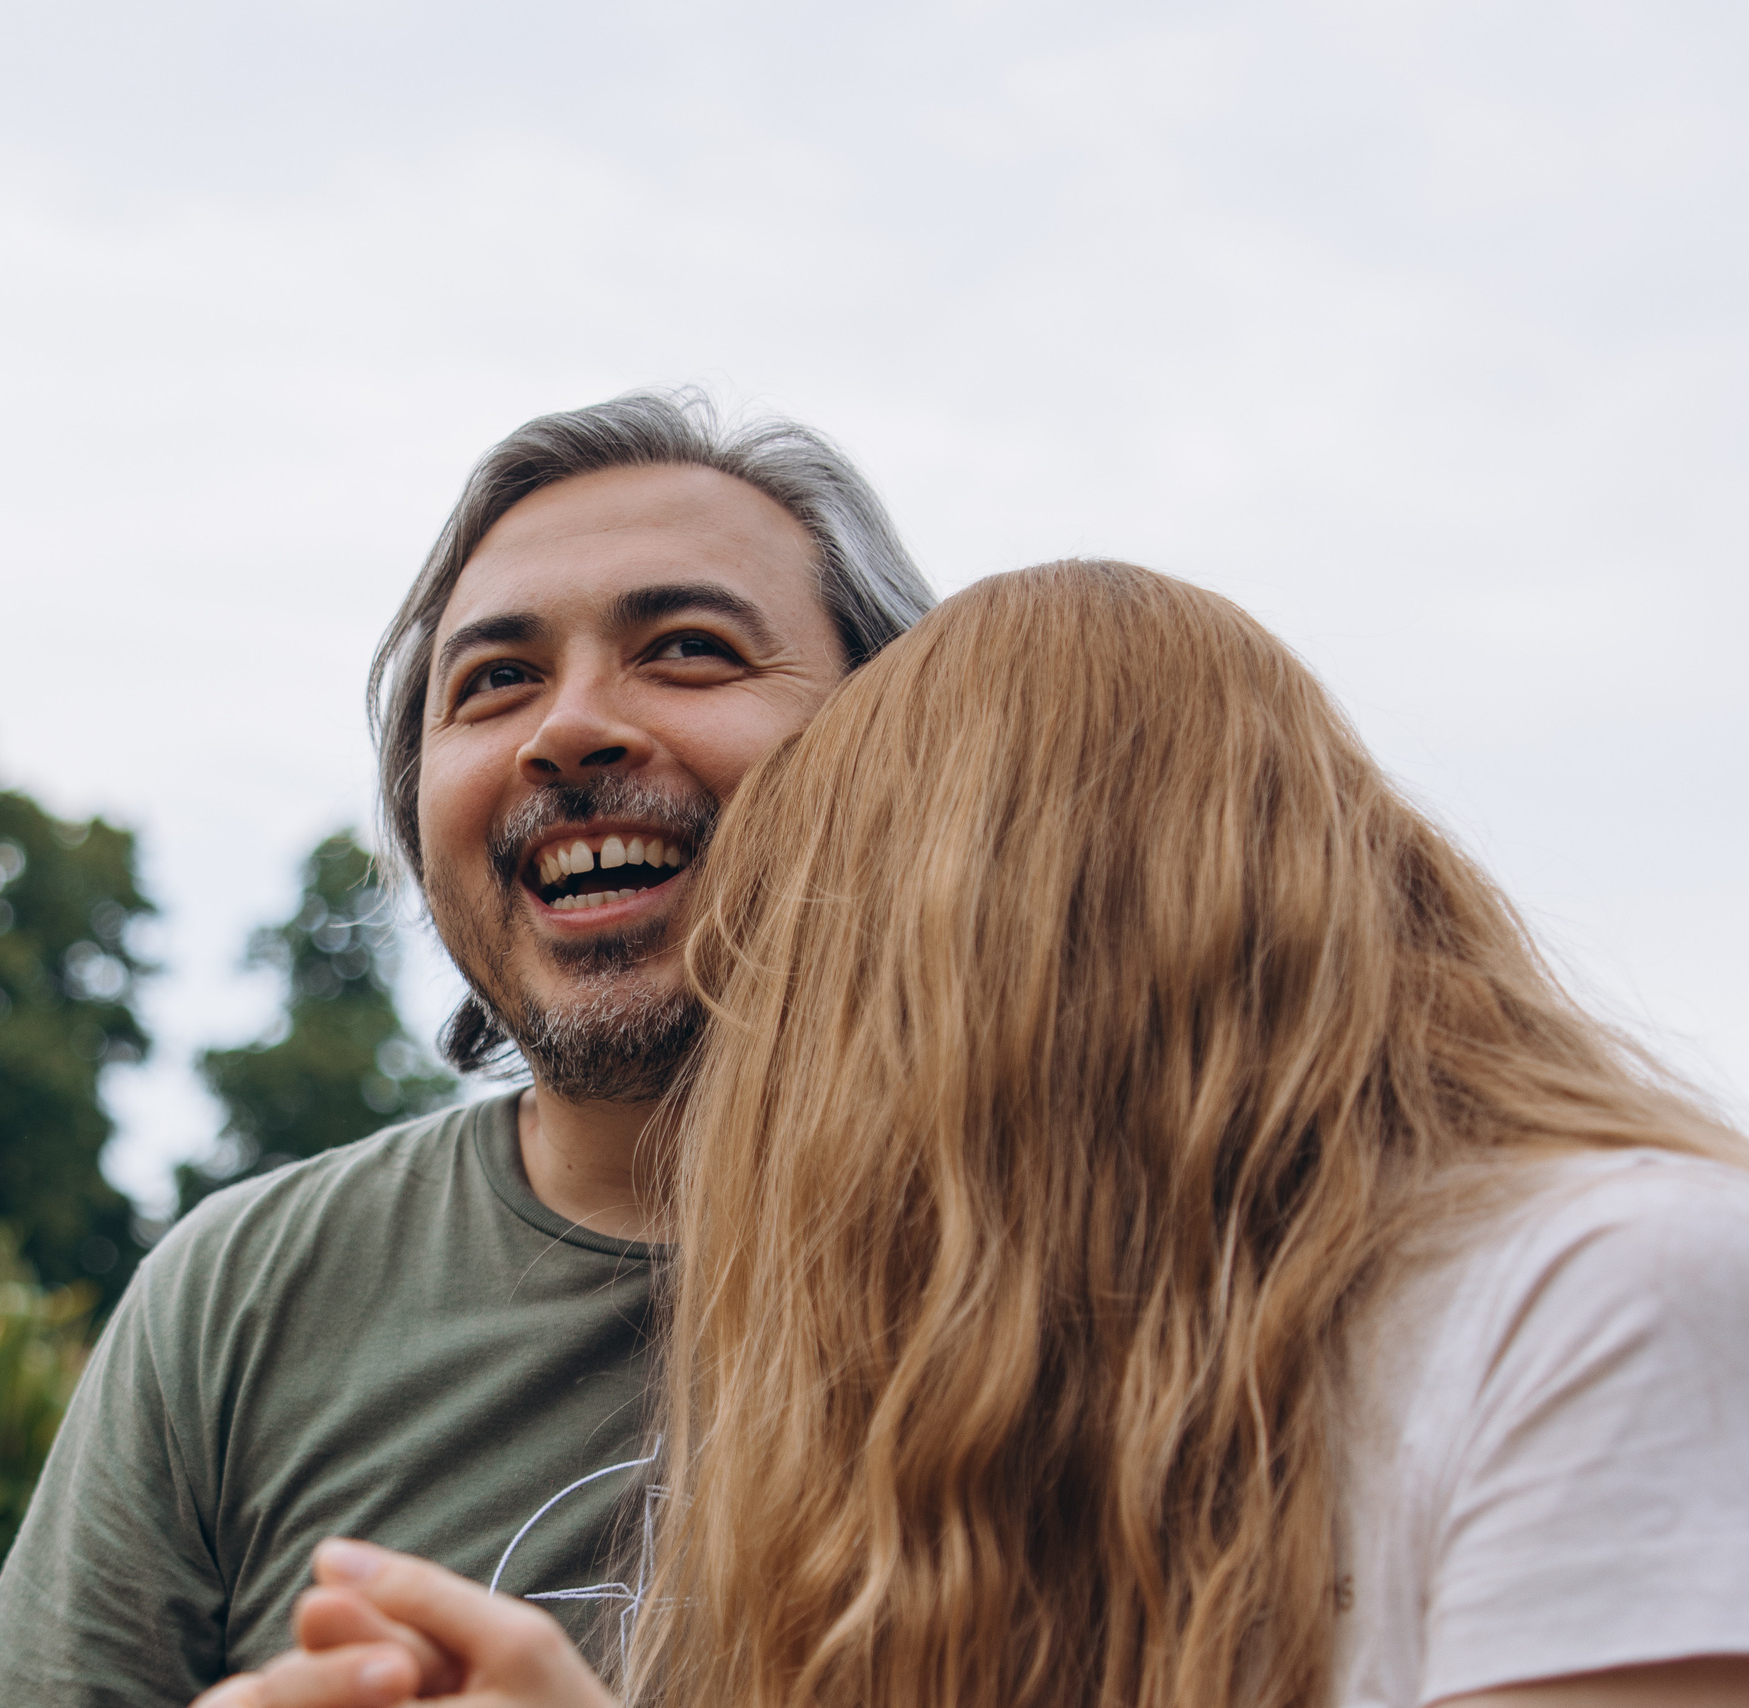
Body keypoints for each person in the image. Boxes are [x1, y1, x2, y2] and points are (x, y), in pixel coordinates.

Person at [208, 561, 1749, 1708]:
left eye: (821, 957)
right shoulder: (1021, 1414)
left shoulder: (1601, 1288)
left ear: (1019, 954)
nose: (786, 1071)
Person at [0, 391, 935, 1705]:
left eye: (687, 648)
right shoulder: (248, 1295)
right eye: (496, 681)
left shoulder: (1108, 1276)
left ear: (906, 751)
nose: (566, 729)